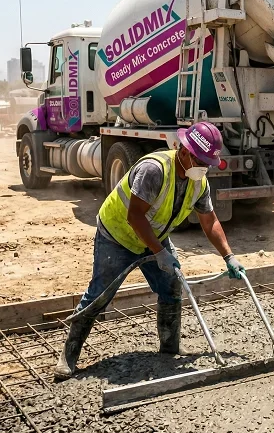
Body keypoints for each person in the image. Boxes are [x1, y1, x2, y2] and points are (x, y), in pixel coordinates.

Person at [54, 122, 245, 380]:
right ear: (184, 151)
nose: (204, 168)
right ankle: (69, 355)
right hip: (118, 235)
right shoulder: (153, 170)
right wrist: (160, 253)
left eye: (207, 163)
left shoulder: (198, 182)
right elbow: (135, 216)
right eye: (201, 161)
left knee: (170, 287)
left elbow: (209, 221)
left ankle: (169, 347)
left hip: (155, 236)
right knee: (99, 295)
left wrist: (228, 256)